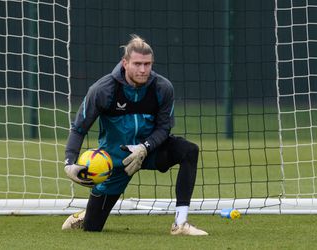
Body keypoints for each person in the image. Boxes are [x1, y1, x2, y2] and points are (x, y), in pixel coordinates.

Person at [62, 34, 208, 236]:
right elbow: (79, 128)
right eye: (137, 64)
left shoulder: (162, 88)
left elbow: (164, 129)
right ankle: (85, 215)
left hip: (151, 151)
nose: (143, 69)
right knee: (92, 228)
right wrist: (69, 163)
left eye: (147, 64)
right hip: (115, 161)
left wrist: (144, 147)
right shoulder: (103, 90)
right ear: (125, 63)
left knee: (189, 150)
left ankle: (181, 223)